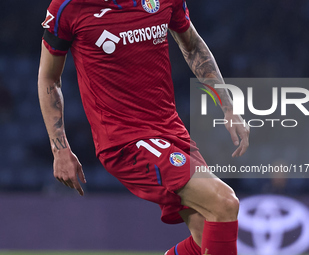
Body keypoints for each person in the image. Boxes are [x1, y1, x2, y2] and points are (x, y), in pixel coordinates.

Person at [38, 0, 250, 254]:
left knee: (206, 236)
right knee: (224, 202)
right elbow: (49, 77)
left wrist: (228, 107)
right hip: (124, 141)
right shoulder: (68, 7)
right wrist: (59, 149)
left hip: (170, 130)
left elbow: (193, 47)